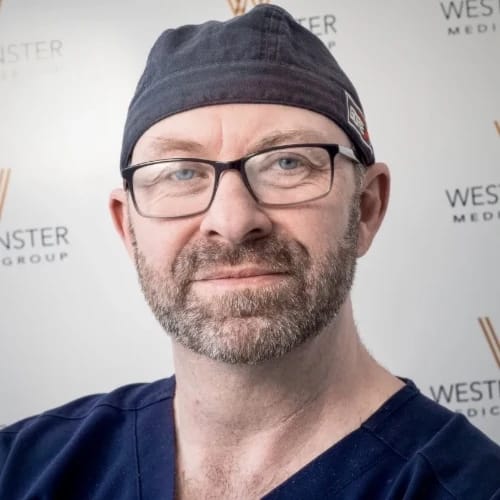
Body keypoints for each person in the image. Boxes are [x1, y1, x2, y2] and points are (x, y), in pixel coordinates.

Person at [1, 5, 499, 499]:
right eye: (181, 172)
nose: (233, 221)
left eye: (287, 163)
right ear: (128, 228)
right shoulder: (22, 469)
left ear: (366, 208)